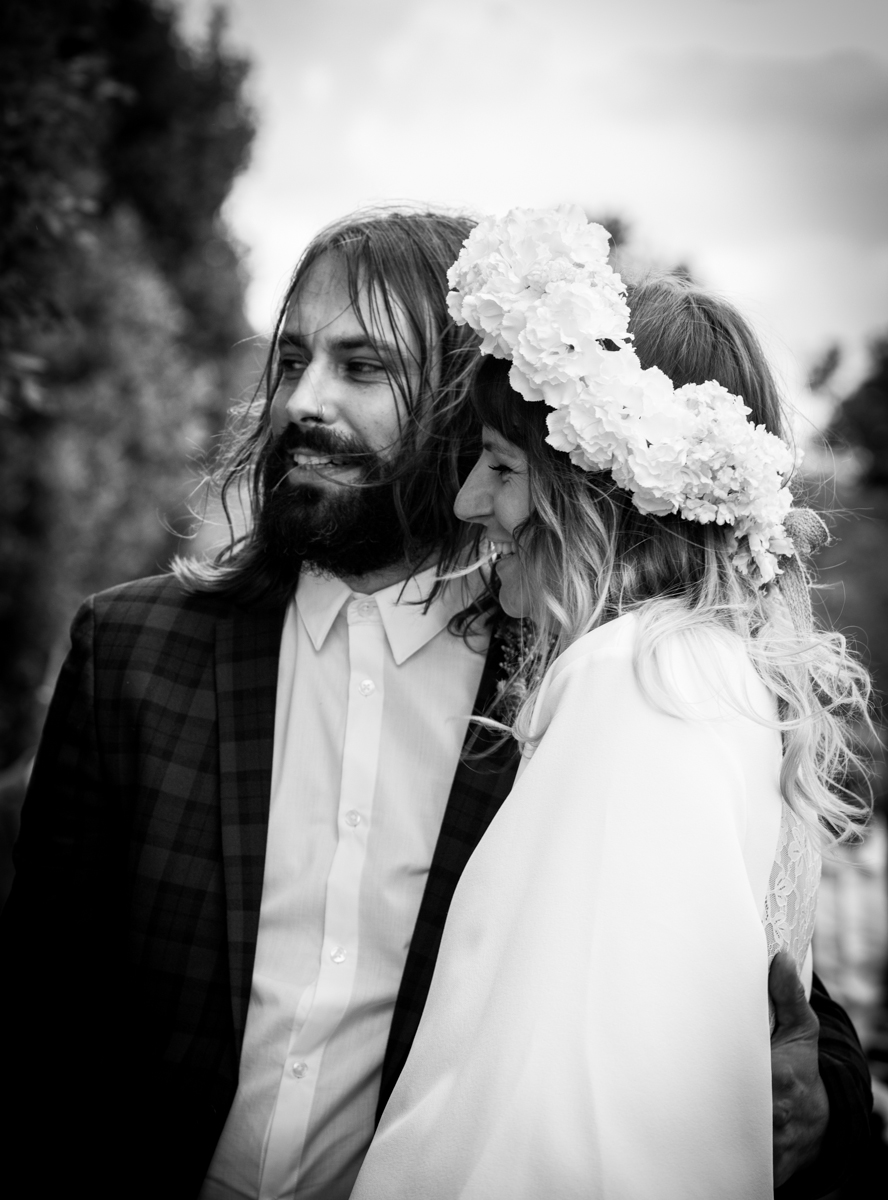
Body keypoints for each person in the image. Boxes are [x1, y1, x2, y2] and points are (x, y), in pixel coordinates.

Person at [0, 206, 871, 1200]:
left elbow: (727, 952)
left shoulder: (566, 675)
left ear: (464, 409)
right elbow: (40, 1016)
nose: (303, 401)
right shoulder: (130, 652)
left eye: (362, 367)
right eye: (291, 361)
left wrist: (831, 1094)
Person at [351, 207, 876, 1199]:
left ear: (600, 493)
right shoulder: (704, 676)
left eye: (503, 466)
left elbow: (566, 1121)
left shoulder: (641, 682)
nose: (469, 503)